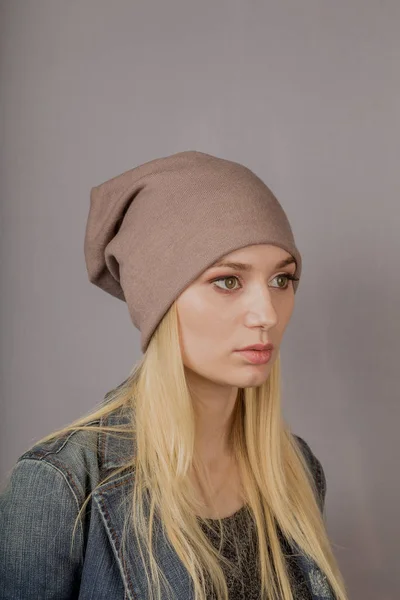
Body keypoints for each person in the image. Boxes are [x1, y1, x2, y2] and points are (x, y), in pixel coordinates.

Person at [0, 151, 349, 600]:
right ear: (159, 303)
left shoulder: (294, 470)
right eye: (228, 281)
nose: (266, 313)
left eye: (282, 280)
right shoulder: (61, 485)